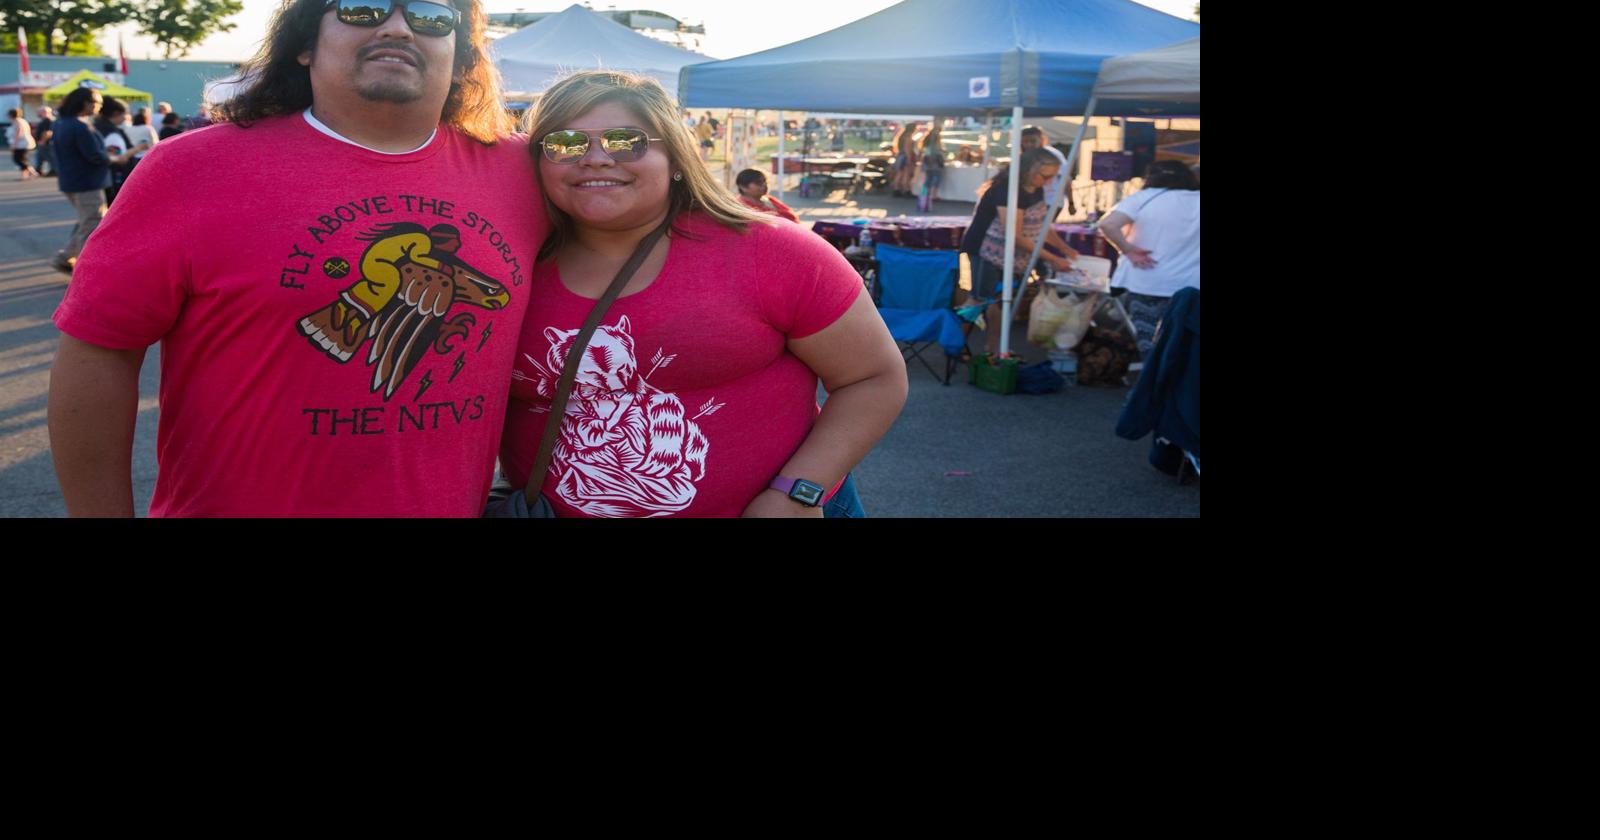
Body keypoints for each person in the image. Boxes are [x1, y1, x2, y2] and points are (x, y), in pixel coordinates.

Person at [49, 0, 548, 517]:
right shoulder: (188, 170)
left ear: (461, 54)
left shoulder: (527, 173)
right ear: (305, 44)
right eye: (362, 8)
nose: (399, 27)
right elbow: (98, 351)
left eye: (431, 16)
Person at [505, 69, 907, 517]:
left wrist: (796, 493)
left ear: (675, 158)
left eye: (626, 141)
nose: (595, 158)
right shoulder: (503, 264)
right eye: (565, 144)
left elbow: (873, 378)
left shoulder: (773, 251)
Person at [958, 147, 1080, 358]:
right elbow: (1014, 235)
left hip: (1007, 254)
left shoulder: (1035, 188)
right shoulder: (1006, 190)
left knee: (999, 300)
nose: (1050, 182)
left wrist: (1065, 249)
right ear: (1030, 170)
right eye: (1046, 176)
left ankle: (994, 348)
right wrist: (1053, 258)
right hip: (984, 249)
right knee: (979, 300)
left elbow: (1042, 226)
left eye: (1053, 177)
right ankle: (955, 345)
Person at [1099, 159, 1200, 357]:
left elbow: (1108, 224)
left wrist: (1128, 249)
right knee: (1186, 345)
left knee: (1150, 343)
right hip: (1192, 286)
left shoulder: (1144, 198)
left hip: (1146, 281)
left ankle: (1153, 382)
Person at [48, 87, 139, 276]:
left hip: (71, 180)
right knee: (91, 223)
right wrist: (115, 159)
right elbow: (96, 157)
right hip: (87, 182)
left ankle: (65, 258)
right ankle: (84, 269)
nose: (98, 106)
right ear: (84, 103)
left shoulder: (61, 123)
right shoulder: (81, 127)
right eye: (96, 102)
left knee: (85, 221)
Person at [1020, 125, 1075, 217]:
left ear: (1041, 139)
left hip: (1050, 202)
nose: (1029, 144)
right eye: (1025, 141)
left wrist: (1071, 202)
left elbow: (1066, 179)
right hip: (1031, 202)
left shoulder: (1052, 155)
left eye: (1033, 141)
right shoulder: (1024, 156)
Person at [8, 108, 39, 180]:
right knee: (22, 159)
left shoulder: (17, 121)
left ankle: (32, 172)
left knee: (18, 159)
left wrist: (14, 144)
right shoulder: (22, 121)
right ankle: (25, 175)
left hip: (21, 143)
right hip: (25, 142)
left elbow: (18, 133)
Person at [918, 123, 944, 204]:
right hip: (933, 162)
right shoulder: (934, 143)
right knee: (935, 179)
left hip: (927, 162)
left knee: (927, 180)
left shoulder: (926, 142)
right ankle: (933, 195)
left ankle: (923, 195)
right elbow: (932, 153)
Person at [34, 107, 56, 176]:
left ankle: (54, 171)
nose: (37, 114)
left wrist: (42, 141)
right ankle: (38, 170)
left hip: (46, 143)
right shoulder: (47, 120)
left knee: (50, 157)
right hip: (45, 143)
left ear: (44, 112)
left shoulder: (48, 120)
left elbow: (48, 132)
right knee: (39, 157)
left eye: (38, 112)